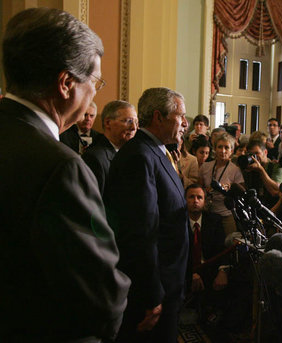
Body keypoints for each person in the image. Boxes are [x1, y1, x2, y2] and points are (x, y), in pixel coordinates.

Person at [0, 8, 130, 342]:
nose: (94, 94)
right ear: (66, 84)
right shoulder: (62, 167)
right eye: (95, 83)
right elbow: (103, 298)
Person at [105, 87, 189, 342]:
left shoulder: (158, 152)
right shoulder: (139, 156)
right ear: (158, 117)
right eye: (180, 116)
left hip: (168, 284)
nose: (185, 123)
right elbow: (141, 233)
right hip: (153, 292)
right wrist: (152, 295)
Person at [185, 184, 229, 317]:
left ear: (205, 201)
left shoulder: (214, 220)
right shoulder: (177, 222)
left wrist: (223, 270)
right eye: (191, 197)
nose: (195, 201)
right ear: (184, 200)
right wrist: (190, 274)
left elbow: (222, 248)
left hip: (209, 270)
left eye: (199, 197)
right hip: (185, 271)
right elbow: (175, 255)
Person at [82, 100, 137, 195]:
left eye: (136, 122)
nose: (134, 127)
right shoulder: (94, 158)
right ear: (108, 123)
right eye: (128, 121)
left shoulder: (131, 154)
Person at [198, 132, 245, 236]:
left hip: (226, 213)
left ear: (231, 151)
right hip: (207, 212)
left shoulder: (235, 170)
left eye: (226, 147)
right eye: (219, 147)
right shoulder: (205, 167)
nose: (223, 151)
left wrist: (229, 189)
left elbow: (241, 192)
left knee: (230, 242)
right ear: (215, 148)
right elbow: (199, 188)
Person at [241, 140, 282, 208]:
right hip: (254, 207)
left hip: (273, 207)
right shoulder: (249, 169)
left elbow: (276, 190)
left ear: (265, 152)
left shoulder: (276, 166)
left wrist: (261, 170)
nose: (254, 157)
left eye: (257, 153)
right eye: (251, 155)